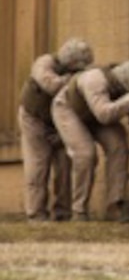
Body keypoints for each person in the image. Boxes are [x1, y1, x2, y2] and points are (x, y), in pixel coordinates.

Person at [52, 59, 129, 221]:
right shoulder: (95, 80)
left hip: (93, 114)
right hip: (68, 109)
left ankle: (115, 204)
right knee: (85, 154)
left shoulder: (121, 87)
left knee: (118, 143)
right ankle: (79, 210)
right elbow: (104, 115)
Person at [19, 38, 95, 221]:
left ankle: (63, 212)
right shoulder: (44, 63)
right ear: (70, 62)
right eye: (78, 67)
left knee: (65, 166)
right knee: (37, 166)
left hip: (61, 122)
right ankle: (36, 214)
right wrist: (72, 81)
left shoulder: (77, 73)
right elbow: (51, 85)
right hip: (33, 119)